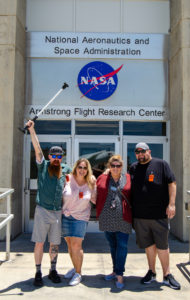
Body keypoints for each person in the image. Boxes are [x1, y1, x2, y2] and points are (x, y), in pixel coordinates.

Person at [129, 142, 181, 290]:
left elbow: (172, 183)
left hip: (159, 215)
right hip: (140, 216)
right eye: (137, 152)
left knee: (162, 246)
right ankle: (151, 272)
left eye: (142, 151)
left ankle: (167, 275)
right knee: (148, 246)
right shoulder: (133, 168)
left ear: (149, 151)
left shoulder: (161, 164)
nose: (140, 154)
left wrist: (171, 204)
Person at [26, 120, 71, 287]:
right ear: (49, 156)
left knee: (54, 243)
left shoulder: (65, 169)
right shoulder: (43, 166)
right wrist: (32, 130)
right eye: (54, 156)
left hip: (57, 212)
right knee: (39, 242)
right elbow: (37, 148)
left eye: (60, 156)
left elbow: (79, 179)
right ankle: (38, 272)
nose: (57, 159)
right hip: (42, 211)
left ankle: (53, 270)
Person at [96, 155, 132, 289]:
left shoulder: (128, 178)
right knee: (113, 246)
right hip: (107, 218)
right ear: (109, 167)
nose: (115, 168)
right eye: (113, 166)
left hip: (124, 218)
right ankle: (115, 270)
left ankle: (120, 274)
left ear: (122, 167)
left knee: (122, 246)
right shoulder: (103, 178)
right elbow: (94, 191)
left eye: (118, 166)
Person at [62, 158, 96, 286]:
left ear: (88, 170)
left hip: (81, 217)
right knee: (70, 245)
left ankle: (78, 273)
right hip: (66, 216)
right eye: (80, 167)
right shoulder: (67, 179)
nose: (82, 170)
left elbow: (96, 199)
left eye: (85, 168)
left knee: (77, 246)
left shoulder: (91, 181)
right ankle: (75, 267)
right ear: (75, 167)